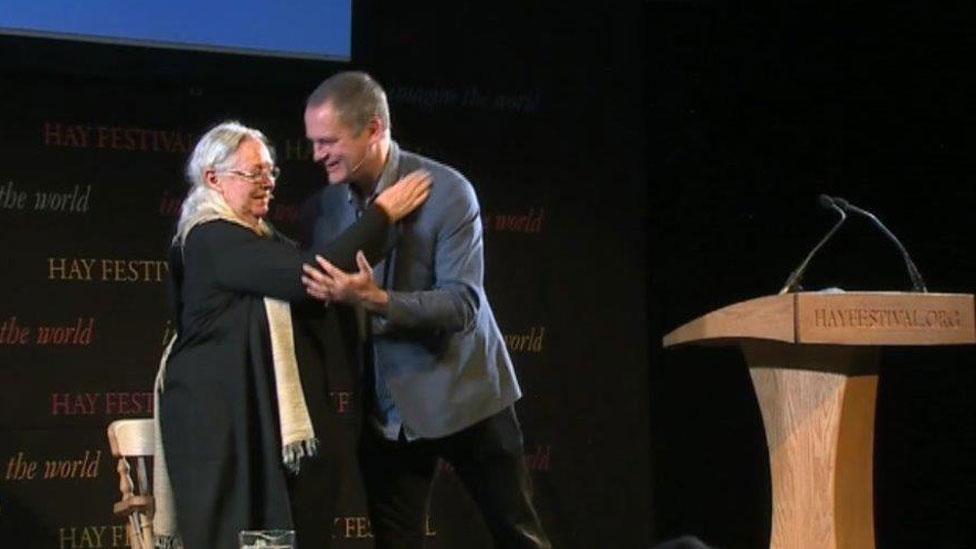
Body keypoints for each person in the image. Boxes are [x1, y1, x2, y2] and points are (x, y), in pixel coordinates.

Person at [300, 71, 551, 548]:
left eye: (328, 141)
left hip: (466, 393)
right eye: (312, 142)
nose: (317, 155)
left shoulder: (449, 191)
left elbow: (463, 304)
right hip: (386, 415)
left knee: (519, 537)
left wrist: (375, 300)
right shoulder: (322, 209)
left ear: (373, 130)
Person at [153, 120, 430, 549]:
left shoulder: (261, 237)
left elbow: (316, 278)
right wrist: (383, 213)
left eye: (270, 172)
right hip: (221, 428)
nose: (267, 183)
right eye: (253, 173)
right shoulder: (210, 236)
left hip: (256, 420)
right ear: (213, 179)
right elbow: (309, 275)